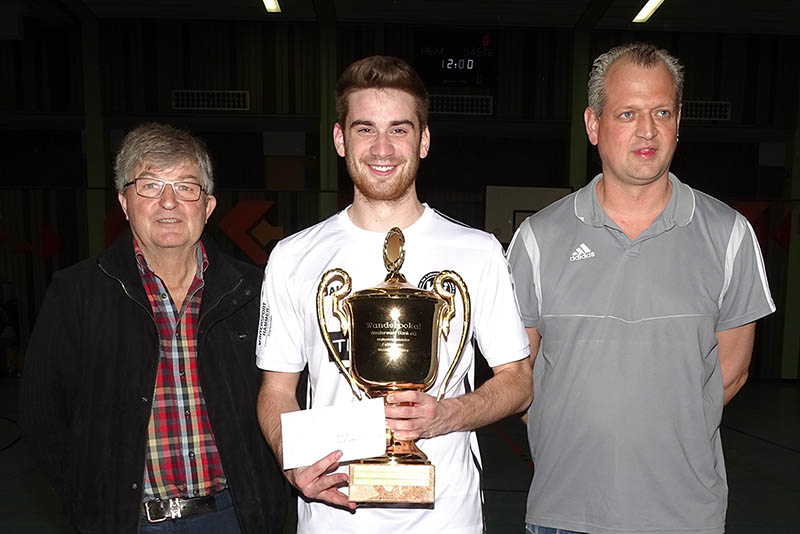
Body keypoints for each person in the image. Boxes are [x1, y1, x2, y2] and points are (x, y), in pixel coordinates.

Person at [256, 55, 532, 533]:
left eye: (399, 129)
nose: (382, 147)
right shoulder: (293, 255)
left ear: (423, 141)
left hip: (446, 519)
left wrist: (446, 415)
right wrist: (290, 459)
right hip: (332, 520)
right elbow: (276, 389)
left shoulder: (479, 251)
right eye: (365, 129)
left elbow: (518, 379)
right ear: (340, 139)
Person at [507, 42, 776, 534]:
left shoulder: (730, 235)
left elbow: (731, 372)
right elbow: (519, 376)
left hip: (684, 518)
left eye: (661, 112)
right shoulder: (537, 240)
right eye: (627, 113)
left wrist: (665, 426)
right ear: (593, 125)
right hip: (564, 515)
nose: (647, 130)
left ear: (679, 122)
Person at [19, 123, 287, 534]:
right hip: (131, 522)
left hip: (235, 516)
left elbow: (287, 395)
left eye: (185, 187)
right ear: (124, 202)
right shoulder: (77, 293)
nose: (168, 203)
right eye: (150, 186)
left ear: (208, 205)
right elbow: (42, 417)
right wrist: (89, 501)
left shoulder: (252, 291)